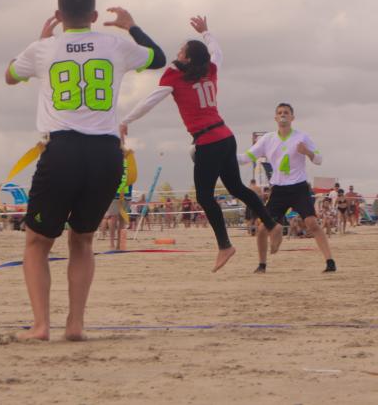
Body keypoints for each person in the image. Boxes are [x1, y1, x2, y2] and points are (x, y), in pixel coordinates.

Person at [5, 0, 165, 341]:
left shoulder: (43, 48)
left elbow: (10, 75)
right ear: (94, 15)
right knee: (83, 240)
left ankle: (41, 325)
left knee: (37, 242)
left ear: (59, 15)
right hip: (105, 154)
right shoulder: (116, 45)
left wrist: (41, 41)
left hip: (62, 152)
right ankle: (75, 324)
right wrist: (131, 26)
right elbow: (158, 56)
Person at [120, 15, 283, 272]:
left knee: (205, 197)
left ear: (187, 58)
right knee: (237, 187)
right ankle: (272, 224)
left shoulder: (175, 77)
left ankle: (225, 246)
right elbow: (218, 52)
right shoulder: (211, 69)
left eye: (181, 51)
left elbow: (150, 101)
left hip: (208, 141)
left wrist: (125, 120)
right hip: (226, 137)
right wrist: (207, 32)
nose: (177, 53)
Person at [240, 103, 336, 273]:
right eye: (280, 113)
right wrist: (221, 157)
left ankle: (330, 262)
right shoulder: (268, 139)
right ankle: (262, 265)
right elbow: (246, 157)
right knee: (262, 228)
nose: (283, 115)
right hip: (278, 189)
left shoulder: (302, 137)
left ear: (292, 117)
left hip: (299, 187)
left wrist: (307, 152)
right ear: (275, 118)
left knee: (312, 223)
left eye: (286, 112)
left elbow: (319, 159)